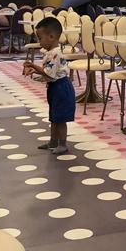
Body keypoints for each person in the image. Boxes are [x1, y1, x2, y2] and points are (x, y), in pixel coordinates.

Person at [23, 17, 75, 154]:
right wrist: (35, 71)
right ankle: (53, 141)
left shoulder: (55, 54)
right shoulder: (50, 53)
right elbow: (48, 73)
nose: (39, 41)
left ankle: (62, 143)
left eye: (40, 38)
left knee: (60, 118)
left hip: (61, 88)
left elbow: (49, 73)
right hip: (54, 87)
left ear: (51, 37)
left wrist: (33, 66)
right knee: (54, 116)